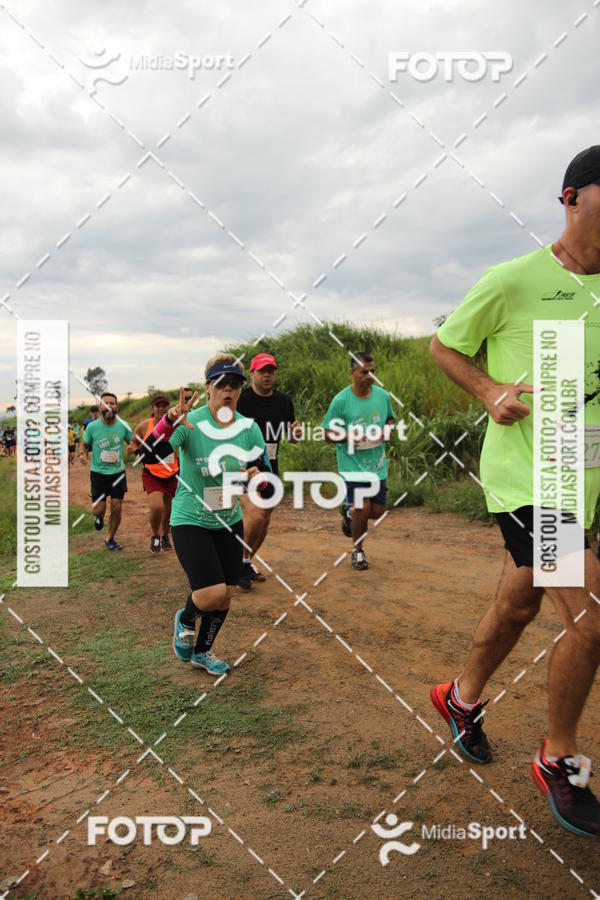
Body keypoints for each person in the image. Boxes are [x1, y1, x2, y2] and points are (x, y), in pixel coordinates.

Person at [429, 146, 600, 837]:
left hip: (584, 480)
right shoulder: (514, 279)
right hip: (532, 478)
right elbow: (445, 346)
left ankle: (461, 699)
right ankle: (558, 760)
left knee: (518, 603)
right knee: (591, 618)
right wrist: (491, 390)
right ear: (571, 199)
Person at [147, 355, 270, 675]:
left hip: (228, 520)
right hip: (190, 519)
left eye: (234, 385)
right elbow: (152, 454)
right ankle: (185, 619)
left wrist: (259, 478)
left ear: (241, 390)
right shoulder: (191, 422)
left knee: (225, 596)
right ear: (208, 388)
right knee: (210, 593)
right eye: (221, 384)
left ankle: (203, 651)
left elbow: (269, 482)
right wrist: (169, 421)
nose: (228, 390)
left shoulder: (249, 428)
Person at [322, 352, 394, 570]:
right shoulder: (341, 400)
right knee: (362, 509)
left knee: (377, 511)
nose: (370, 376)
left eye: (373, 371)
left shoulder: (382, 396)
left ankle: (348, 513)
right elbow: (326, 433)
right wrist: (347, 436)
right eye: (364, 372)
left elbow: (390, 418)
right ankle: (358, 551)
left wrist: (388, 430)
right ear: (352, 372)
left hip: (377, 466)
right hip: (352, 467)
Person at [236, 353, 300, 590]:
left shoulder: (284, 402)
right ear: (252, 373)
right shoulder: (241, 399)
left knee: (264, 522)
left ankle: (245, 562)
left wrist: (295, 433)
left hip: (270, 467)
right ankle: (237, 562)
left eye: (271, 370)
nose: (267, 375)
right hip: (244, 466)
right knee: (257, 515)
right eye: (262, 370)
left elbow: (291, 437)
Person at [127, 391, 191, 553]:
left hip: (172, 473)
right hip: (151, 473)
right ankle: (155, 535)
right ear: (153, 408)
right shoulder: (144, 426)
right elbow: (134, 442)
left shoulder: (177, 424)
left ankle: (165, 536)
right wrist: (135, 450)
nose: (162, 409)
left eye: (165, 406)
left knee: (169, 510)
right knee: (157, 507)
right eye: (158, 406)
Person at [79, 392, 133, 550]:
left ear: (117, 407)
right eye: (106, 403)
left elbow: (133, 443)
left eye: (113, 403)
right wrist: (82, 454)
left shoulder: (123, 425)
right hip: (98, 474)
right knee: (99, 509)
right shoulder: (92, 426)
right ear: (101, 406)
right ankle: (99, 516)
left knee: (117, 506)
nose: (110, 405)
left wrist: (132, 448)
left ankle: (110, 538)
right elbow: (83, 444)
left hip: (118, 473)